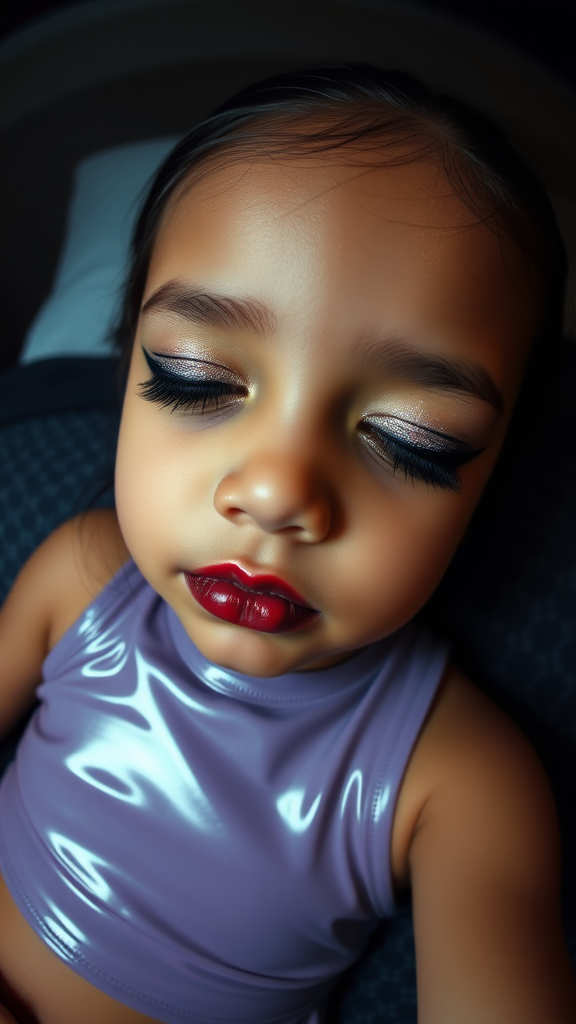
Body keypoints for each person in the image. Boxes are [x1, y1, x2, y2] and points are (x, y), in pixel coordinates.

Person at [0, 65, 574, 1024]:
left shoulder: (459, 783)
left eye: (410, 440)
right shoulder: (77, 576)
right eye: (195, 380)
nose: (274, 495)